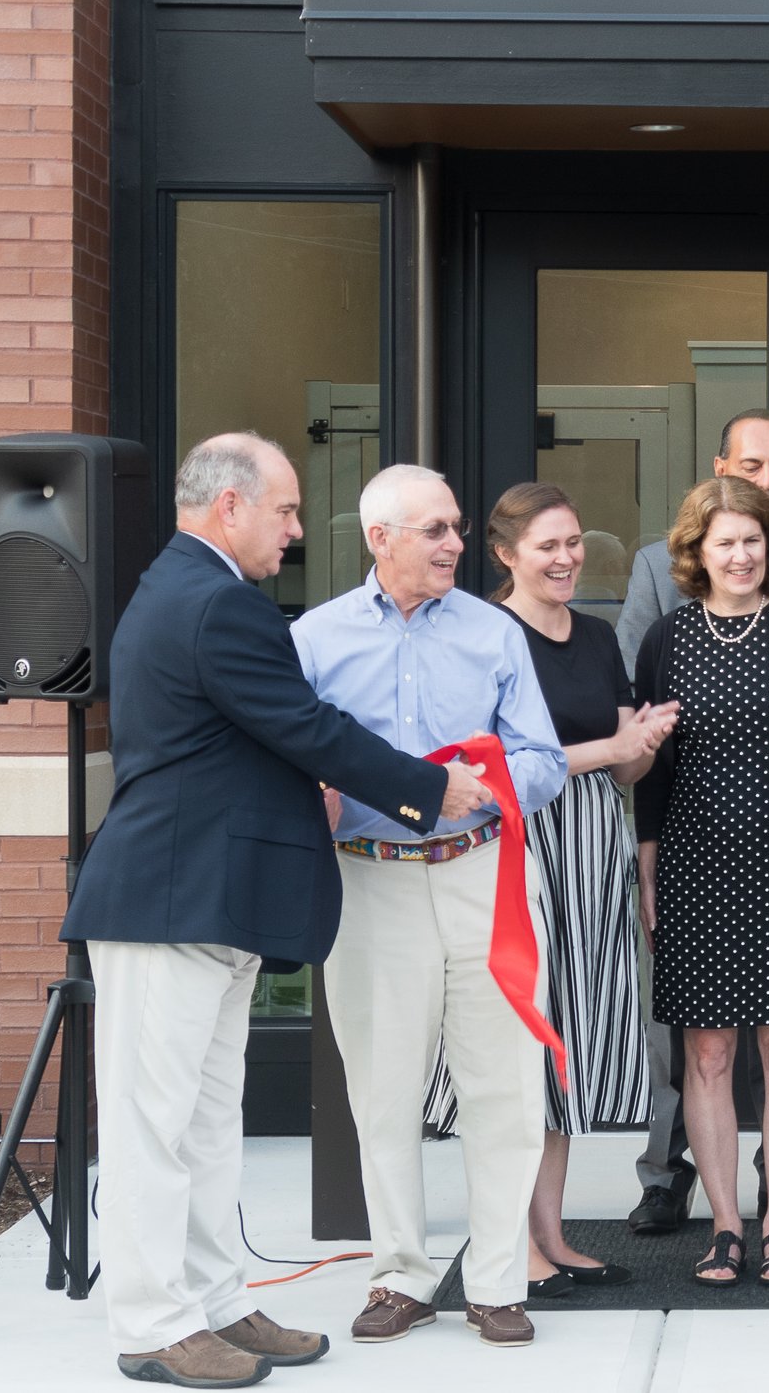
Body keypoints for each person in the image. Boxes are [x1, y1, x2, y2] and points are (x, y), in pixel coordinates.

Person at [62, 434, 481, 1390]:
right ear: (230, 507)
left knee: (208, 1126)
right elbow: (305, 726)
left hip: (211, 901)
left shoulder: (189, 590)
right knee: (154, 1127)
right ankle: (154, 1322)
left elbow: (264, 738)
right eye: (287, 510)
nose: (298, 529)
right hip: (173, 899)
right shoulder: (218, 603)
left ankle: (215, 1303)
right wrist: (426, 786)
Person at [293, 464, 568, 1350]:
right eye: (436, 530)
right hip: (368, 878)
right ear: (381, 539)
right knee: (382, 1090)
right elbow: (288, 758)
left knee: (506, 1088)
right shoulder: (313, 639)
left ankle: (496, 1281)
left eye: (456, 528)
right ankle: (400, 1274)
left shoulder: (495, 633)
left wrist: (478, 788)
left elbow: (545, 759)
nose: (456, 543)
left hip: (483, 876)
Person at [419, 484, 679, 1298]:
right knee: (518, 1036)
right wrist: (609, 744)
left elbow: (624, 762)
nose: (567, 558)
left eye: (573, 543)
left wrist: (641, 743)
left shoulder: (599, 636)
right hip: (521, 842)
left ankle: (551, 1235)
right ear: (505, 554)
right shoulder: (485, 633)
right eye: (547, 546)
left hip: (593, 842)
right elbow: (491, 764)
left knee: (564, 1038)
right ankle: (511, 1241)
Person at [617, 407, 769, 1237]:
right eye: (725, 541)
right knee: (708, 1055)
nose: (742, 553)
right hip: (693, 866)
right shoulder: (666, 640)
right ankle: (724, 1224)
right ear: (697, 551)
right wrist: (647, 865)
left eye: (754, 540)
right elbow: (653, 768)